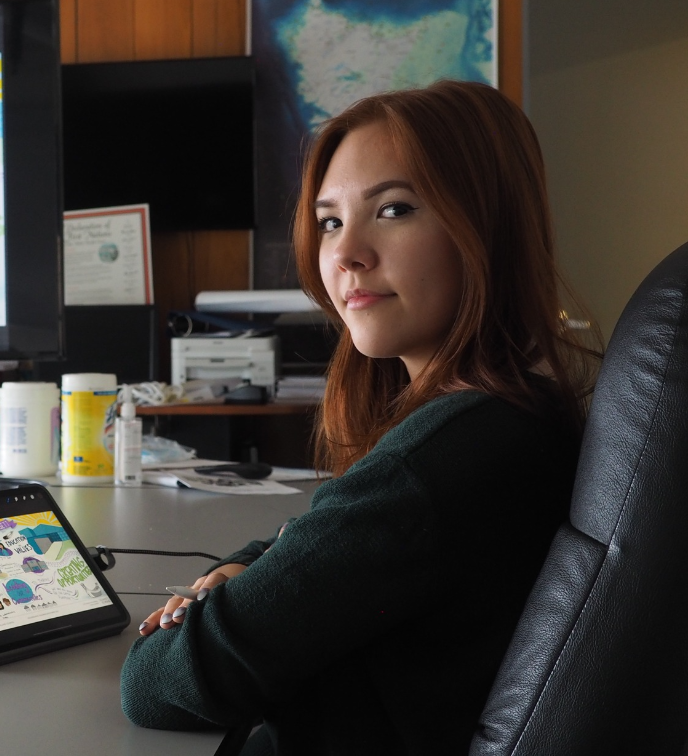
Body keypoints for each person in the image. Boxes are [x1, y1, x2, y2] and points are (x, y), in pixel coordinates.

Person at [119, 80, 600, 755]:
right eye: (330, 221)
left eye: (395, 209)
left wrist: (213, 607)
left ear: (486, 229)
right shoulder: (509, 417)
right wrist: (246, 571)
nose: (346, 255)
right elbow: (318, 540)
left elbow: (157, 684)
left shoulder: (442, 462)